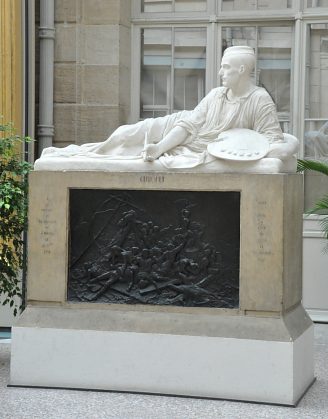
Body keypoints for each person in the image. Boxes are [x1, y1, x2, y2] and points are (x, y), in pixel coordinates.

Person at [39, 46, 298, 170]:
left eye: (225, 67)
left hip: (199, 145)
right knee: (124, 136)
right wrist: (159, 148)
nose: (220, 72)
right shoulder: (217, 94)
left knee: (125, 152)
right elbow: (186, 126)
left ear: (242, 70)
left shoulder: (259, 99)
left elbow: (275, 143)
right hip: (177, 128)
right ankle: (74, 153)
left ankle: (76, 156)